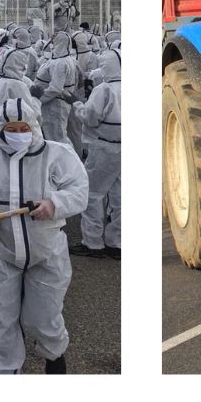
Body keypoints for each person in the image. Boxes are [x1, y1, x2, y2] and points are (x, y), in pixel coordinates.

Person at [0, 85, 88, 374]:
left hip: (45, 252)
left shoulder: (56, 154)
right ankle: (6, 371)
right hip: (2, 252)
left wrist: (53, 203)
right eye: (11, 128)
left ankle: (54, 357)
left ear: (34, 126)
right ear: (0, 129)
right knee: (0, 319)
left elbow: (80, 190)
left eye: (23, 127)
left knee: (44, 317)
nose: (18, 133)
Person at [74, 49, 122, 257]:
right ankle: (117, 242)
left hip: (105, 147)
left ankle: (93, 242)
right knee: (120, 196)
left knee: (92, 193)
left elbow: (91, 117)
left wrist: (78, 107)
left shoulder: (104, 89)